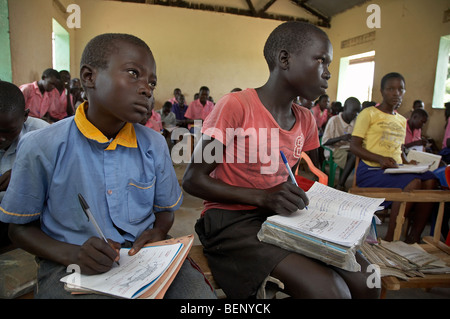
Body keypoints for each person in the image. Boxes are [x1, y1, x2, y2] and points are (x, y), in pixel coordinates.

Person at [0, 33, 216, 299]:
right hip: (69, 262)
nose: (147, 89)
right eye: (133, 73)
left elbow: (165, 211)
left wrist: (158, 231)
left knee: (198, 298)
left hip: (144, 259)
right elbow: (18, 228)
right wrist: (73, 254)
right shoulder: (41, 146)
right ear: (89, 77)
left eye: (152, 82)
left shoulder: (154, 145)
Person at [182, 21, 379, 299]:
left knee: (368, 280)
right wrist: (263, 197)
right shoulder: (237, 105)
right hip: (231, 222)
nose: (328, 73)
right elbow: (192, 179)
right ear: (284, 59)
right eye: (321, 60)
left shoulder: (306, 119)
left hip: (278, 216)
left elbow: (290, 179)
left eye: (330, 64)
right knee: (330, 292)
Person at [350, 72, 438, 244]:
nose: (396, 93)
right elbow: (354, 146)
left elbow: (397, 148)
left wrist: (407, 162)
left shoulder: (401, 120)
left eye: (400, 89)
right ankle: (391, 237)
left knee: (431, 180)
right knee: (413, 182)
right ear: (382, 91)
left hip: (395, 169)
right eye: (391, 89)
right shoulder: (368, 114)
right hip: (371, 170)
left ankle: (414, 235)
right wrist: (380, 159)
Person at [0, 81, 49, 248]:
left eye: (8, 131)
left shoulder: (42, 134)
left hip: (30, 220)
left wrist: (26, 173)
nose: (1, 138)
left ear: (25, 116)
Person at [322, 97, 361, 190]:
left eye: (358, 112)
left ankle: (358, 185)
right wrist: (341, 138)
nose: (355, 114)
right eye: (353, 111)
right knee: (354, 156)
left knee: (361, 155)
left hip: (350, 149)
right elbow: (325, 142)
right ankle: (340, 184)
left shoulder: (356, 121)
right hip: (334, 150)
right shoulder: (334, 121)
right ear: (345, 108)